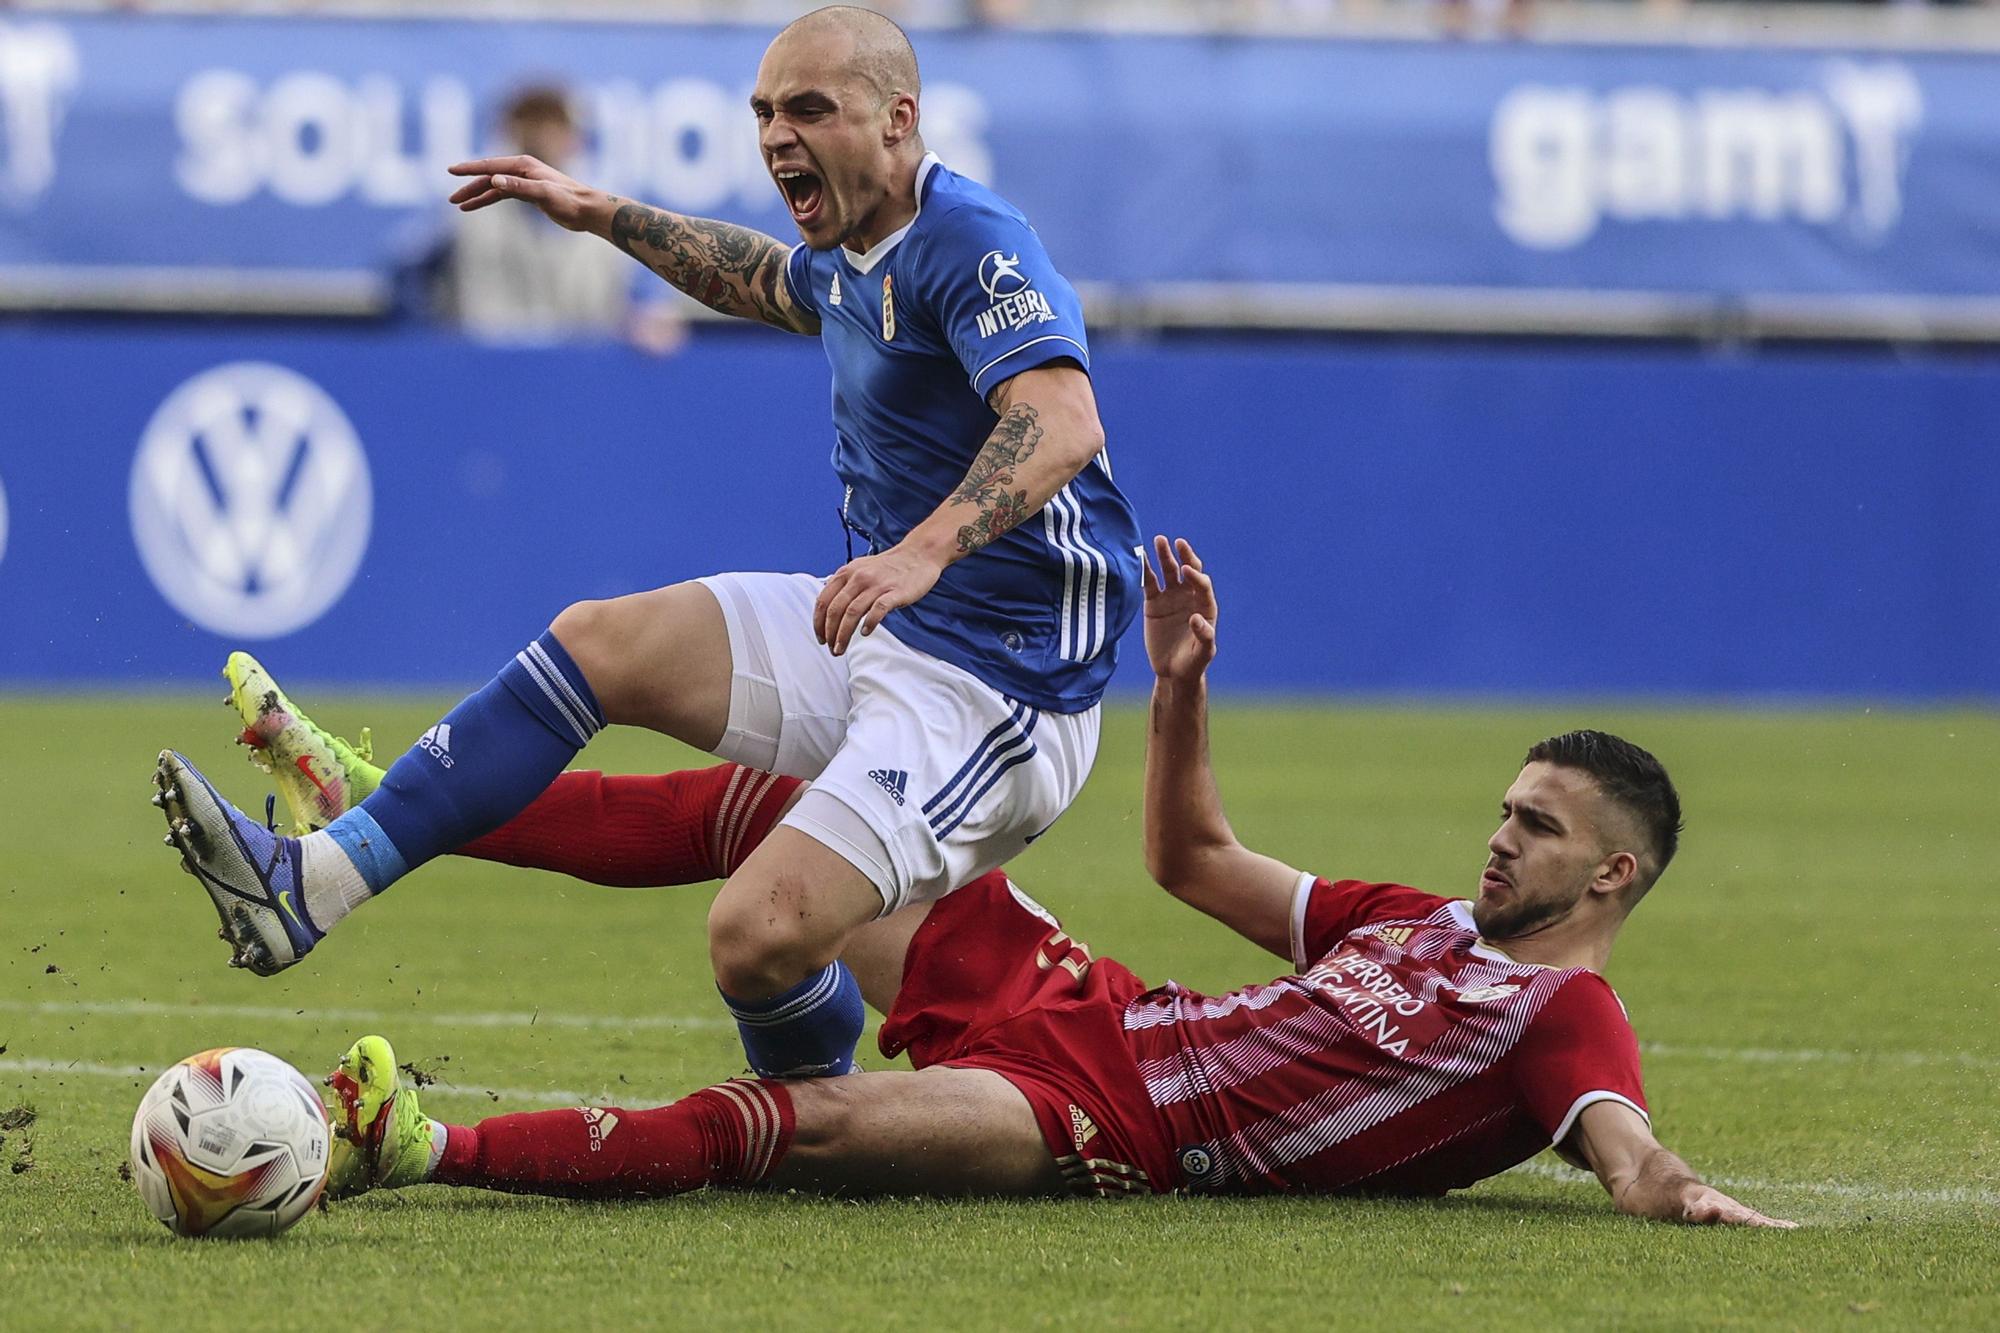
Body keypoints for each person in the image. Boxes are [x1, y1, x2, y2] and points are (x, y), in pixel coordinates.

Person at [189, 540, 1792, 1226]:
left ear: (1614, 868)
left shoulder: (1562, 1010)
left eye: (1537, 825)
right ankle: (388, 808)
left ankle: (411, 1145)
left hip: (1120, 1132)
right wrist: (1179, 687)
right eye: (1507, 808)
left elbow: (1626, 1151)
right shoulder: (1422, 924)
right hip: (1094, 1006)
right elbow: (1193, 862)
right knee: (790, 813)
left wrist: (1678, 1193)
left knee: (805, 1133)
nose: (1501, 836)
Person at [152, 6, 1142, 1084]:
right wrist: (596, 212)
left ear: (899, 119)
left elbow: (1062, 417)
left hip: (999, 687)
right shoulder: (854, 246)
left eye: (809, 108)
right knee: (600, 642)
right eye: (764, 111)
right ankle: (314, 885)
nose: (775, 135)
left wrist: (923, 551)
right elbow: (761, 279)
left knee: (751, 934)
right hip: (886, 623)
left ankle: (818, 1122)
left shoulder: (971, 239)